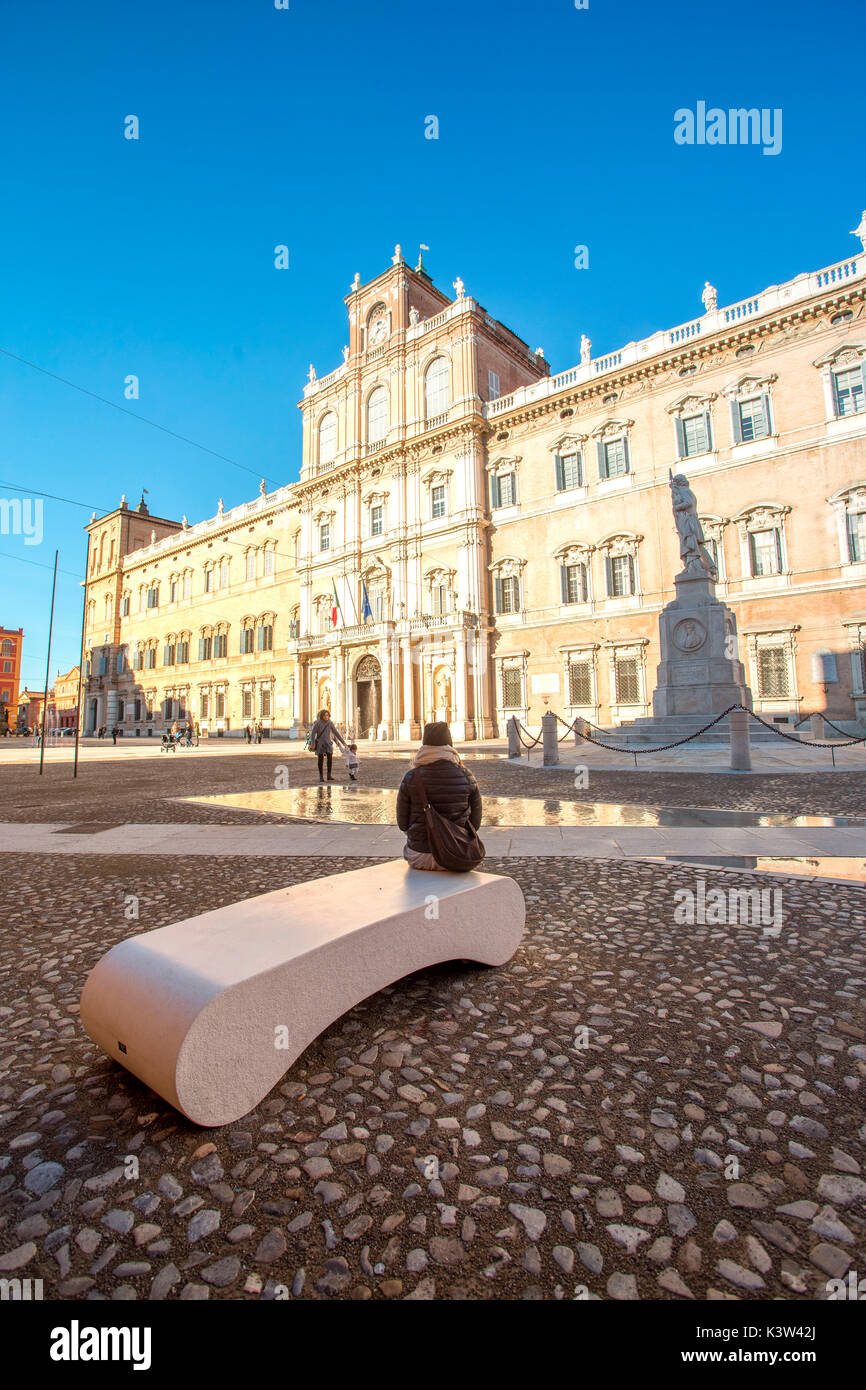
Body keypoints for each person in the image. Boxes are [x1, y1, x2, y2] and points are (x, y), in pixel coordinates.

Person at [396, 722, 482, 872]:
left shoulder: (411, 777)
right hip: (457, 854)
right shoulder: (466, 775)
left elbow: (402, 824)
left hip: (419, 855)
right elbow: (476, 823)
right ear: (449, 744)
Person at [308, 707, 346, 782]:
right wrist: (312, 743)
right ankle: (321, 776)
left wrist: (343, 743)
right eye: (325, 715)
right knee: (320, 759)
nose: (326, 717)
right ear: (322, 716)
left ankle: (329, 775)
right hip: (320, 743)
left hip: (328, 743)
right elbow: (313, 734)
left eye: (327, 715)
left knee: (330, 759)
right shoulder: (317, 723)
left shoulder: (330, 723)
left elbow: (336, 733)